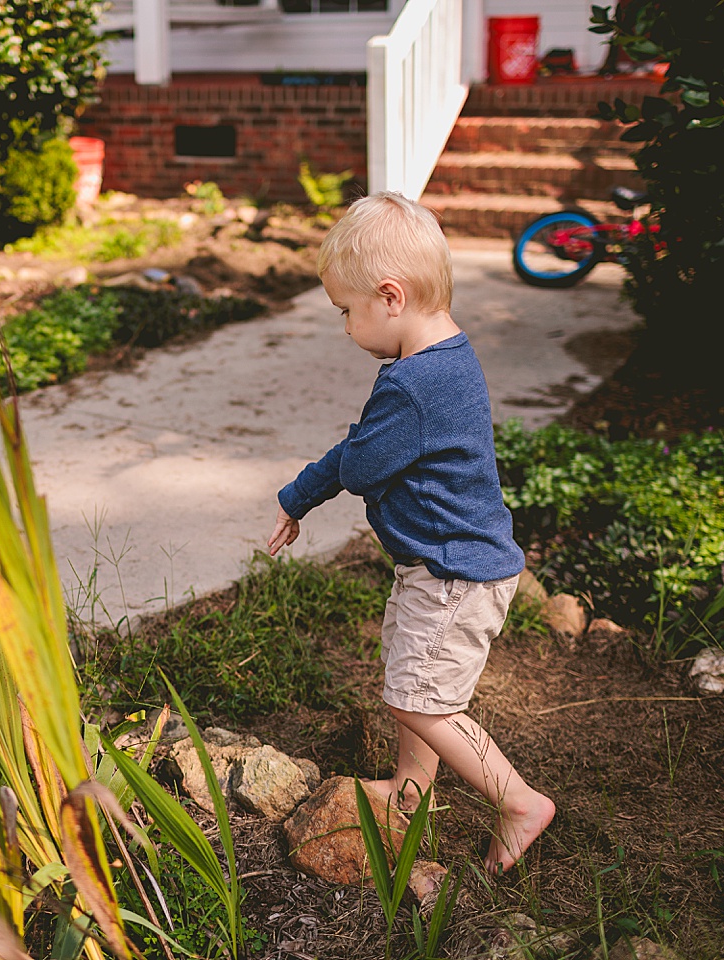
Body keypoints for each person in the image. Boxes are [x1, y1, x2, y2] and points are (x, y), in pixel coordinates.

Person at [266, 192, 555, 875]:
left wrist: (303, 491)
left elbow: (362, 464)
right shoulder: (447, 358)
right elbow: (367, 451)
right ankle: (411, 790)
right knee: (413, 681)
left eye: (347, 309)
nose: (345, 326)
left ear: (389, 296)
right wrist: (303, 493)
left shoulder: (412, 385)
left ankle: (518, 802)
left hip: (455, 574)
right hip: (443, 565)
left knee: (418, 698)